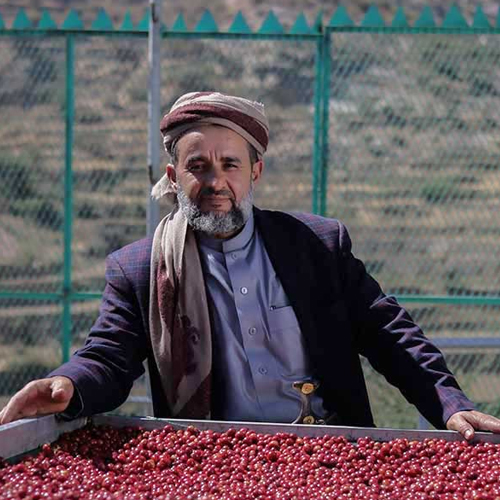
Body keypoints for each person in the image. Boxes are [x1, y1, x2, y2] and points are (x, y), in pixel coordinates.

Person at [1, 91, 500, 441]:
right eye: (197, 166)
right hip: (219, 461)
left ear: (255, 171)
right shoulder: (140, 269)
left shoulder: (317, 246)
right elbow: (108, 357)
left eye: (230, 164)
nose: (215, 181)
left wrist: (450, 404)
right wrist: (68, 384)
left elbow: (388, 332)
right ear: (173, 177)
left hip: (334, 451)